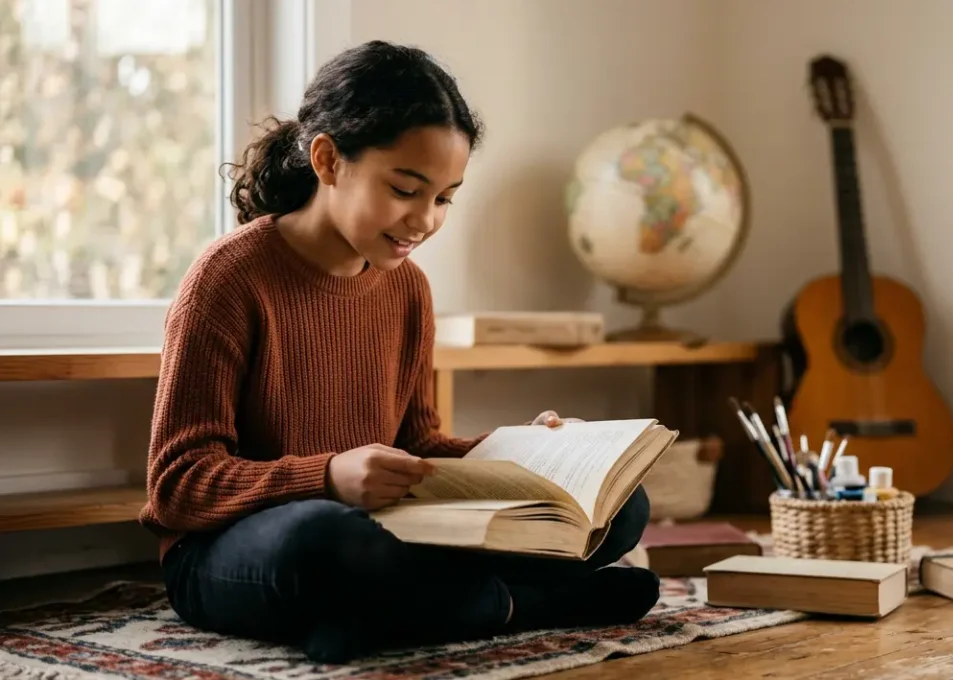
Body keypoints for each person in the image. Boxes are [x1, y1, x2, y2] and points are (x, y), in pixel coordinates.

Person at [137, 40, 659, 664]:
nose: (425, 220)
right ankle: (529, 605)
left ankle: (392, 616)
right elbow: (177, 485)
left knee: (622, 507)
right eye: (405, 189)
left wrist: (529, 453)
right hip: (237, 550)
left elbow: (419, 447)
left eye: (443, 198)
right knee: (330, 541)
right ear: (328, 160)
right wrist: (326, 477)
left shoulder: (407, 289)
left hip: (386, 532)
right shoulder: (227, 279)